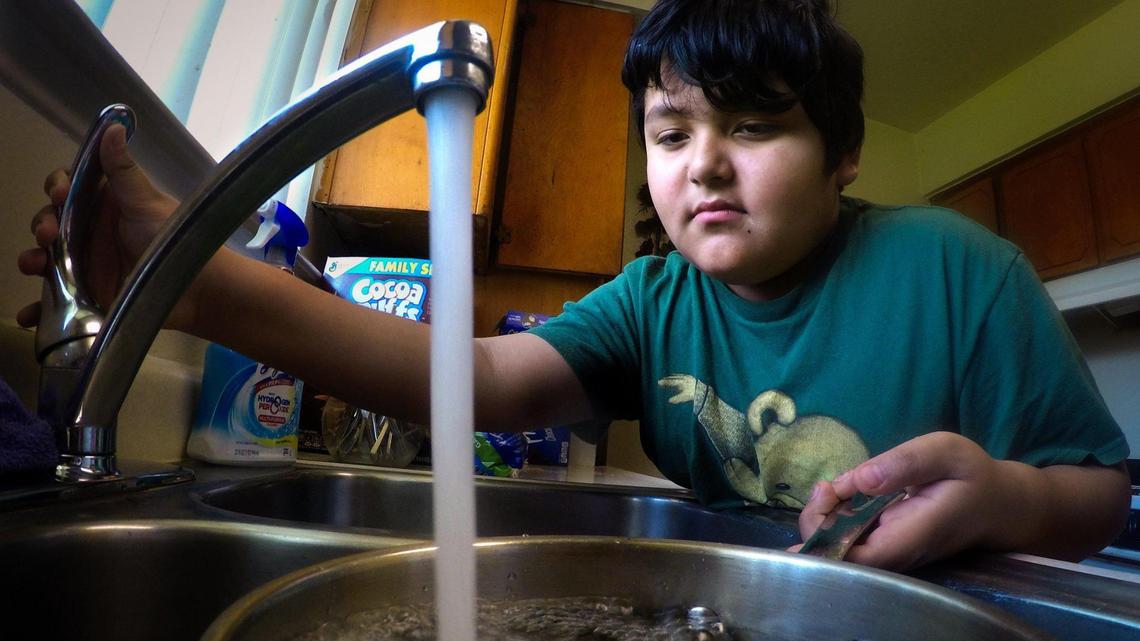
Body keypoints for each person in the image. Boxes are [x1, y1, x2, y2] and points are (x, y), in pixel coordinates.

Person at [17, 0, 1130, 571]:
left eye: (756, 126)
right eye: (672, 130)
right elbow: (475, 379)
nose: (705, 162)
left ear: (844, 154)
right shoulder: (653, 301)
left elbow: (1100, 492)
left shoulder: (957, 269)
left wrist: (1013, 496)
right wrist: (189, 281)